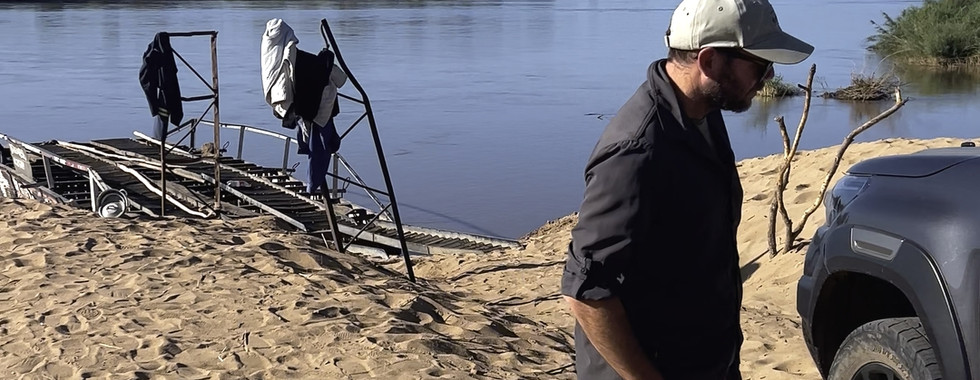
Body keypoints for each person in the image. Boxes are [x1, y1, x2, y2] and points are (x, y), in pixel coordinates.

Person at [560, 0, 813, 379]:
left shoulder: (702, 112)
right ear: (709, 61)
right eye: (760, 64)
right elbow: (586, 294)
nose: (769, 76)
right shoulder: (637, 151)